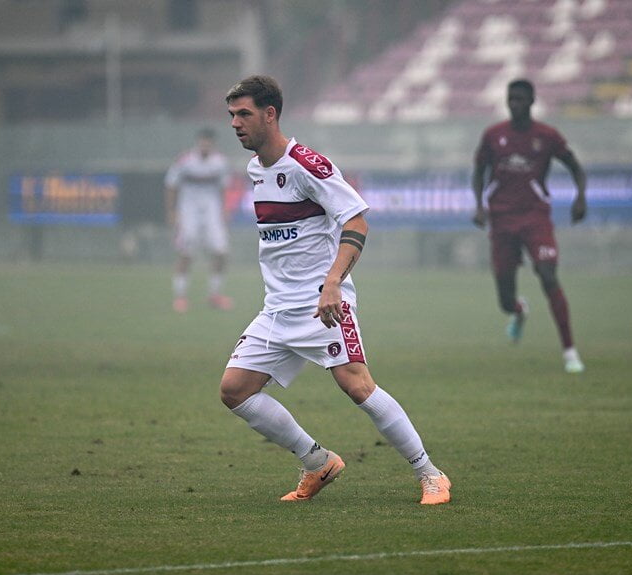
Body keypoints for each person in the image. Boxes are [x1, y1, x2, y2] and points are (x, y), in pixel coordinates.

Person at [220, 75, 451, 505]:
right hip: (278, 309)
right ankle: (317, 462)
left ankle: (431, 475)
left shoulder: (307, 165)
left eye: (244, 114)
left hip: (322, 304)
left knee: (358, 386)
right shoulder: (256, 169)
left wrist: (332, 284)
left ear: (270, 114)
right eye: (232, 115)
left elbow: (357, 220)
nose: (235, 123)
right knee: (234, 390)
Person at [472, 79, 587, 374]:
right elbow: (478, 171)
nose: (515, 104)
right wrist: (479, 206)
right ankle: (519, 310)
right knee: (505, 300)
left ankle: (570, 352)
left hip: (535, 217)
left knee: (548, 276)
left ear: (532, 101)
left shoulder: (546, 136)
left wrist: (580, 197)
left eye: (521, 99)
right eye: (511, 99)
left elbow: (574, 166)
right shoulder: (493, 135)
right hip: (501, 220)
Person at [164, 127, 234, 313]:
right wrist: (172, 211)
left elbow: (223, 188)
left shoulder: (220, 162)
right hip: (188, 212)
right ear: (198, 142)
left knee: (221, 252)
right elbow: (171, 185)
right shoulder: (185, 161)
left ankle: (215, 295)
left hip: (212, 212)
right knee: (186, 253)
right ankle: (180, 297)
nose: (205, 144)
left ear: (213, 143)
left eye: (208, 141)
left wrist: (224, 209)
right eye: (203, 141)